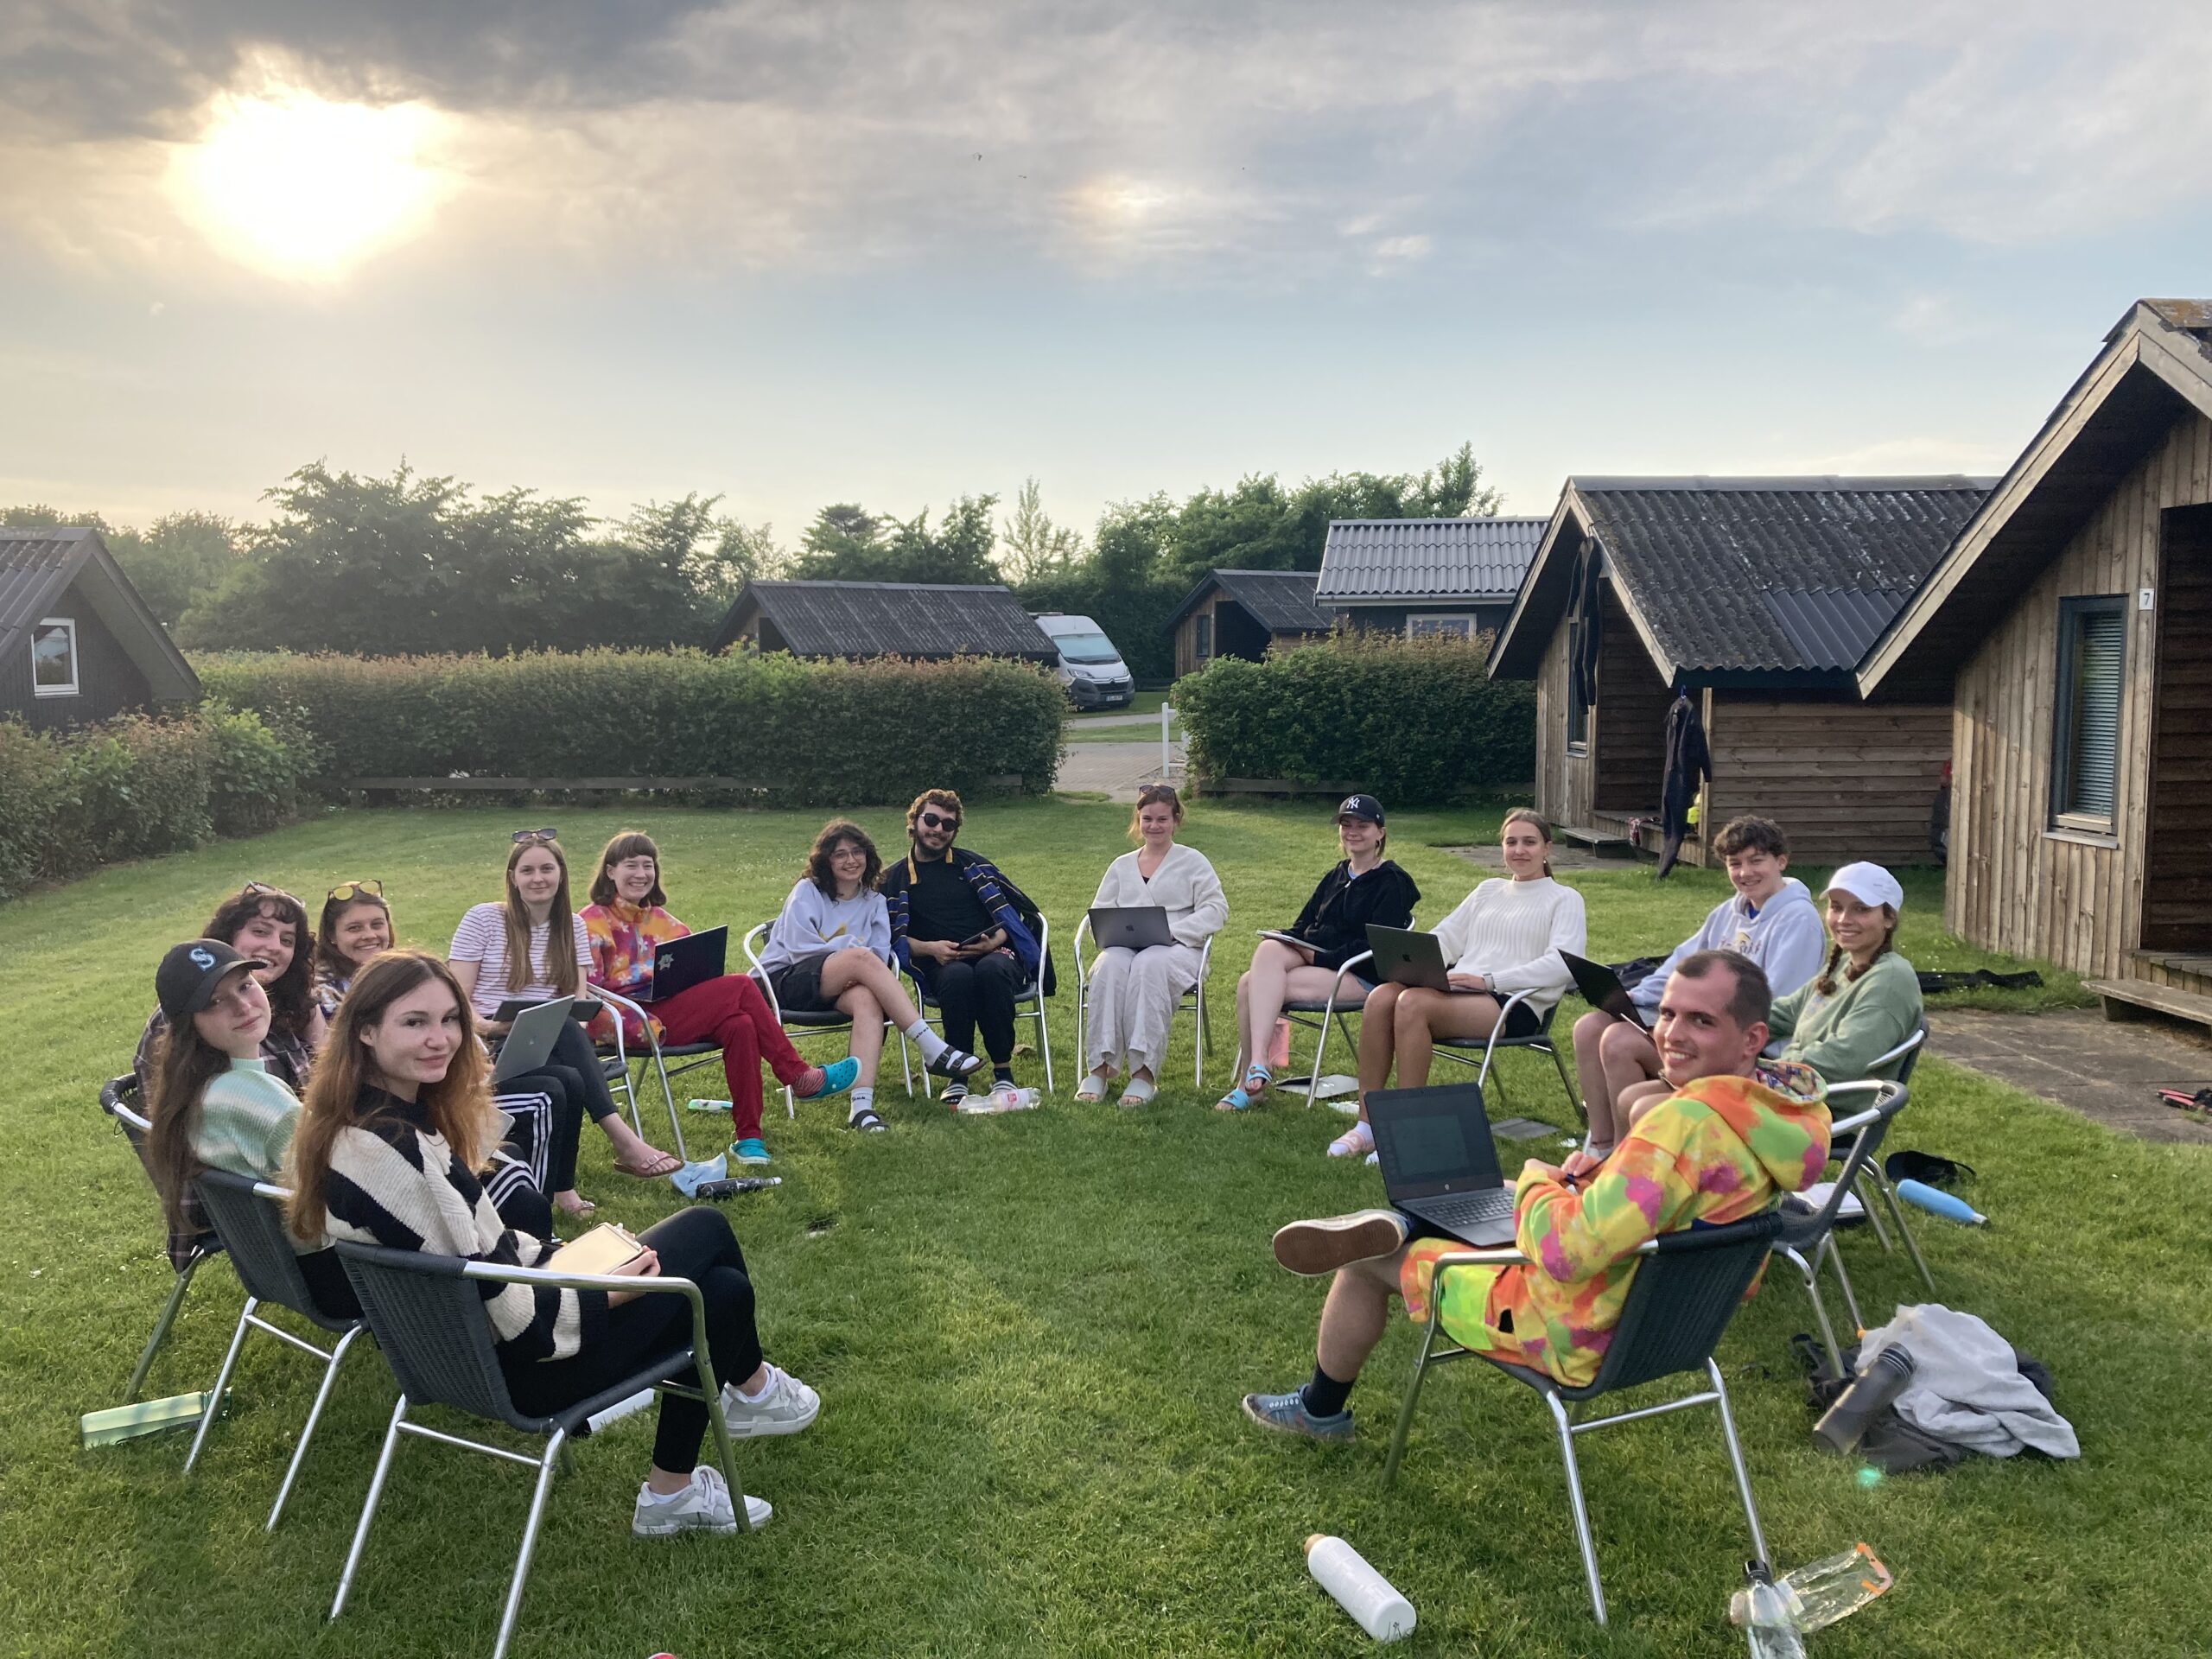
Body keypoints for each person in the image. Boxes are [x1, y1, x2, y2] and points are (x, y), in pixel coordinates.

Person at [285, 950, 820, 1535]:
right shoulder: (400, 1156)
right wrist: (607, 1289)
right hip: (519, 1371)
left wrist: (556, 1256)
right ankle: (743, 1399)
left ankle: (705, 1448)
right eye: (414, 1023)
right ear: (365, 1030)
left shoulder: (356, 1128)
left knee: (715, 1284)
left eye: (449, 1020)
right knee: (712, 1263)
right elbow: (523, 1320)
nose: (439, 1039)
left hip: (451, 1356)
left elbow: (476, 1250)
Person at [1241, 949, 1830, 1441]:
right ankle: (1411, 1222)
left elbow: (1566, 1253)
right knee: (1483, 1196)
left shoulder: (1685, 1128)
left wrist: (1535, 1178)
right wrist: (1579, 1182)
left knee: (1367, 1261)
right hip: (1671, 1322)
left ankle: (1320, 1410)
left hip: (1573, 1327)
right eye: (1668, 1014)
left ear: (1753, 1037)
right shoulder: (1775, 1117)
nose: (1672, 1034)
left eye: (1701, 1021)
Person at [1565, 816, 1824, 1177]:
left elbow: (1776, 1004)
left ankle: (1628, 1166)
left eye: (1756, 860)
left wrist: (1700, 1018)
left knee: (1619, 1041)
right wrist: (1631, 998)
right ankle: (1601, 1145)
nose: (1745, 872)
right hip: (1705, 1032)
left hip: (1749, 1055)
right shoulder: (1728, 912)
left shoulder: (1798, 920)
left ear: (1781, 861)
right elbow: (1681, 966)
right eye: (1735, 864)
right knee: (1592, 1025)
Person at [580, 830, 857, 1166]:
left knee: (739, 1024)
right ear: (610, 871)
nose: (641, 874)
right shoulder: (590, 922)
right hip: (630, 1019)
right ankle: (798, 1076)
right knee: (741, 986)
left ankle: (749, 1138)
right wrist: (640, 1017)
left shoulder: (663, 922)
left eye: (648, 866)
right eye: (631, 865)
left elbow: (694, 973)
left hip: (673, 1007)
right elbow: (587, 995)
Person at [319, 877, 589, 1217]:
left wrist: (471, 1057)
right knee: (544, 1096)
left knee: (566, 1077)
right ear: (332, 936)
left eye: (377, 924)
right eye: (354, 928)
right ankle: (540, 1201)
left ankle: (548, 1194)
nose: (369, 935)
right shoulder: (331, 990)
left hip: (444, 1082)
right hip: (414, 1098)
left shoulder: (403, 972)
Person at [1326, 810, 1585, 1161]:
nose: (1519, 850)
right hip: (1462, 991)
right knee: (1383, 996)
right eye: (1511, 842)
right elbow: (1445, 938)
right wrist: (1414, 961)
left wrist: (1490, 980)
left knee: (1412, 1004)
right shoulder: (1488, 890)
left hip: (1514, 1003)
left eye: (1529, 842)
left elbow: (1563, 966)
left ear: (1547, 849)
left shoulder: (1564, 898)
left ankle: (1407, 1131)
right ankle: (1368, 1125)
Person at [448, 830, 684, 1185]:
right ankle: (623, 1142)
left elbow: (576, 1001)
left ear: (561, 874)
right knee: (568, 1045)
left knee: (570, 1063)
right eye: (527, 871)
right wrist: (494, 1028)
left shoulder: (572, 926)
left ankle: (563, 1189)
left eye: (547, 868)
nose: (538, 878)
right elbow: (455, 1003)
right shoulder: (483, 919)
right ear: (513, 878)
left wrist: (552, 1020)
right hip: (486, 1045)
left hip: (544, 1042)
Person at [756, 819, 985, 1133]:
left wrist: (853, 964)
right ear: (826, 860)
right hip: (783, 981)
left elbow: (879, 956)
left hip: (839, 983)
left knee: (867, 998)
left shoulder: (875, 901)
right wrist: (850, 955)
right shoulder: (807, 891)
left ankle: (861, 1108)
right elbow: (799, 949)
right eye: (840, 854)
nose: (851, 860)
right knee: (859, 957)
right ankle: (932, 1047)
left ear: (868, 856)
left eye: (857, 852)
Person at [1218, 793, 1419, 1111]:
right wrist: (1284, 937)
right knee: (1268, 950)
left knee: (1249, 985)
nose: (1352, 831)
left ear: (1380, 832)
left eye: (1362, 825)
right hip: (1316, 959)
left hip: (1359, 975)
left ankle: (1250, 1084)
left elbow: (1377, 946)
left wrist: (1318, 958)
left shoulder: (1393, 882)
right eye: (1346, 824)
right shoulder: (1338, 874)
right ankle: (1257, 1064)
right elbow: (1305, 924)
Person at [880, 789, 1049, 1112]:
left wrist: (997, 940)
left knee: (991, 971)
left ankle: (1003, 1069)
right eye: (931, 820)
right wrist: (929, 948)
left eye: (948, 825)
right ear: (913, 823)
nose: (938, 830)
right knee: (957, 976)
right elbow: (884, 936)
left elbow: (1015, 914)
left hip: (995, 954)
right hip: (937, 962)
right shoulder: (894, 879)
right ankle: (958, 1073)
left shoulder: (974, 866)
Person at [1075, 785, 1226, 1107]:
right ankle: (1099, 1068)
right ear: (1138, 821)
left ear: (1175, 820)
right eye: (1147, 819)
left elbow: (1216, 909)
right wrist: (1114, 934)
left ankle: (1143, 1073)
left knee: (1149, 965)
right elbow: (1100, 911)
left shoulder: (1193, 862)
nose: (1154, 826)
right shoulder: (1120, 865)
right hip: (1126, 945)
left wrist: (1176, 931)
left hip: (1178, 949)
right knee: (1108, 967)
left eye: (1162, 819)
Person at [134, 882, 326, 1101]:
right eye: (260, 931)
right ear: (227, 935)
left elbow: (332, 1069)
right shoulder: (186, 1008)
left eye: (287, 940)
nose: (275, 946)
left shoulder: (287, 1001)